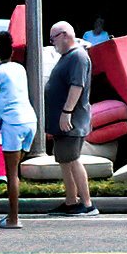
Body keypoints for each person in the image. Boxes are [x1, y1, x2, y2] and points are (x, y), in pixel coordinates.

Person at [45, 21, 97, 216]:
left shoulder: (78, 57)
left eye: (53, 39)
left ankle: (87, 204)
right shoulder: (67, 56)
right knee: (65, 160)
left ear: (65, 35)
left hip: (71, 121)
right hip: (63, 121)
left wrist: (66, 112)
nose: (52, 43)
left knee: (73, 160)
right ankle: (71, 202)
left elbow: (77, 86)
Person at [0, 31, 36, 229]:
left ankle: (13, 219)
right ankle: (12, 214)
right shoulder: (19, 68)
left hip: (12, 123)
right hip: (30, 121)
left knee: (11, 174)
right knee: (16, 169)